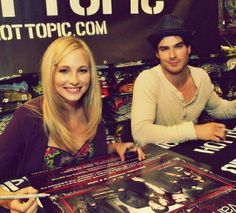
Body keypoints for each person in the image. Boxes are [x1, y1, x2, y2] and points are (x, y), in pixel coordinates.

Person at [0, 36, 145, 212]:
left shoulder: (92, 110)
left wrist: (115, 147)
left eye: (82, 70)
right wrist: (10, 201)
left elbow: (84, 155)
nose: (75, 80)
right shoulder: (29, 116)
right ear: (50, 73)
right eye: (64, 70)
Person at [131, 13, 236, 146]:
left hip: (192, 156)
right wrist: (194, 131)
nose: (172, 55)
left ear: (188, 48)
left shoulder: (200, 76)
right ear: (157, 54)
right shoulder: (148, 79)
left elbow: (219, 109)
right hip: (160, 160)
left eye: (178, 46)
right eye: (164, 49)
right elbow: (141, 134)